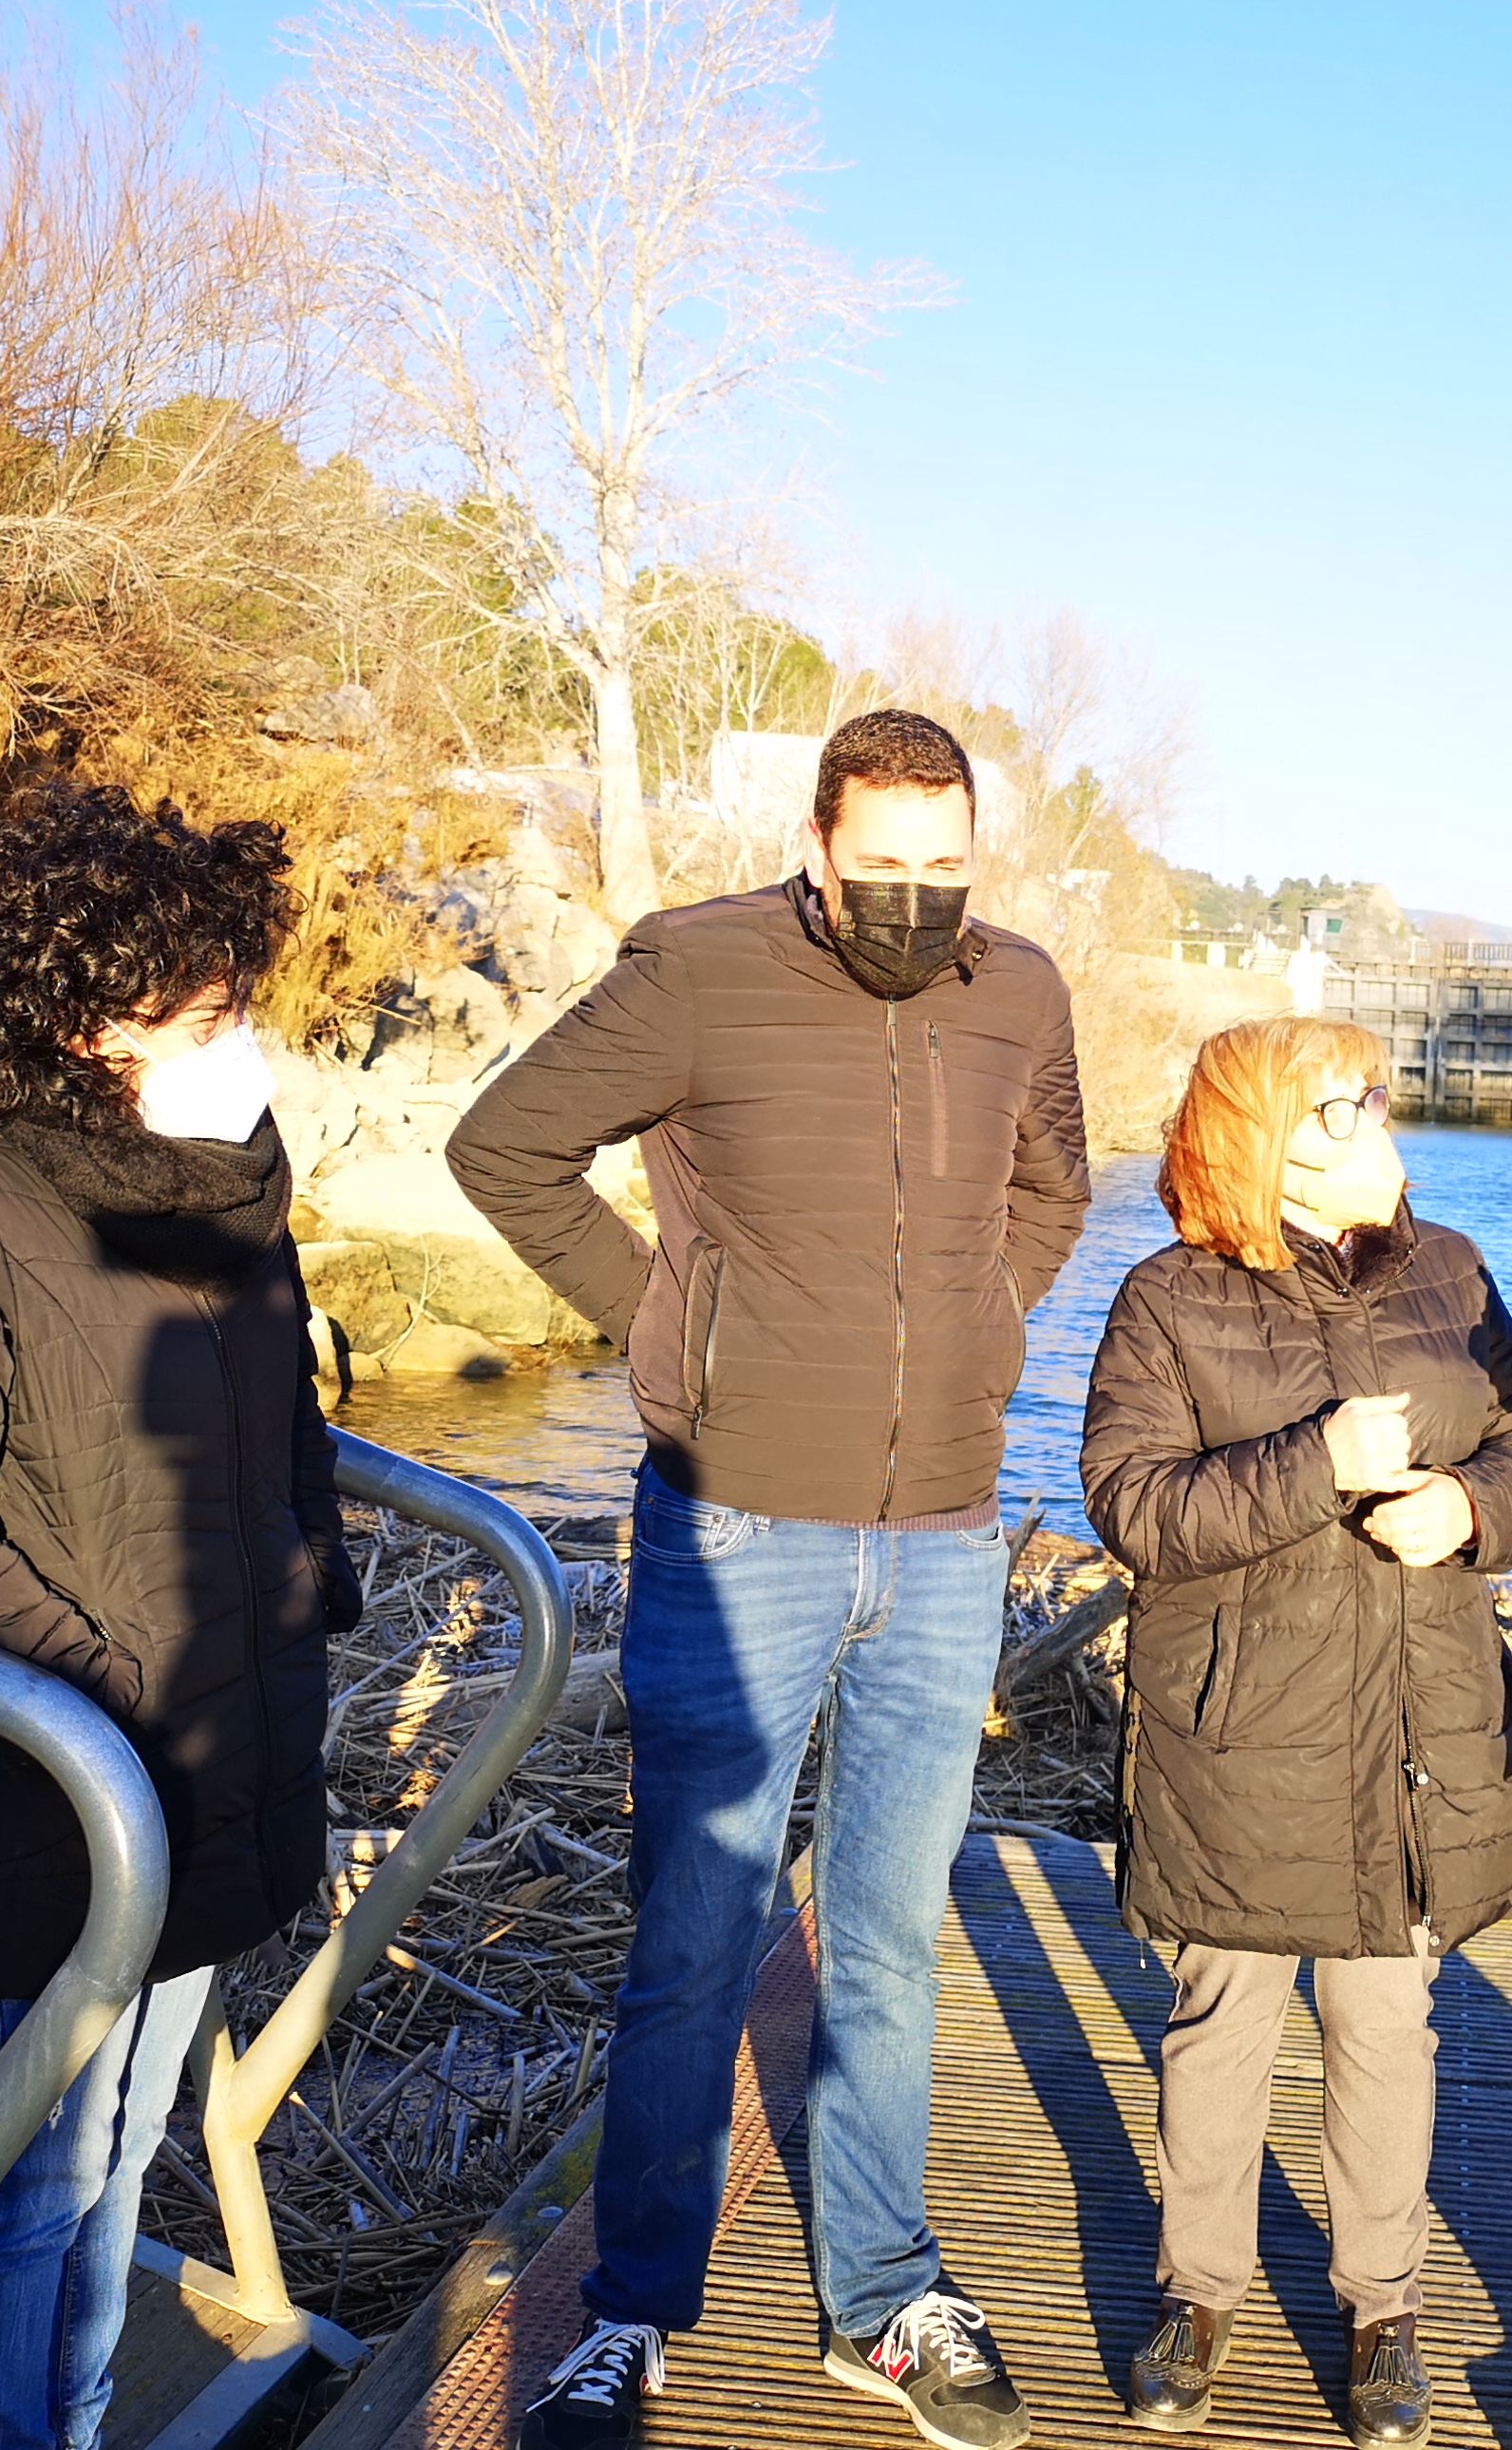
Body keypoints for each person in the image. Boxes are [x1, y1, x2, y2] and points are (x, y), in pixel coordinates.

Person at [448, 709, 1090, 2450]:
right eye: (879, 869)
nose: (912, 899)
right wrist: (670, 1335)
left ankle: (879, 2299)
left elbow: (1055, 1181)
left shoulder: (1019, 990)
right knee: (698, 1940)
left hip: (950, 1531)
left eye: (942, 871)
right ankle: (636, 2308)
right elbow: (502, 1149)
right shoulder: (696, 973)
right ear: (817, 849)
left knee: (886, 1941)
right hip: (740, 1530)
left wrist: (985, 1322)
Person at [0, 785, 355, 2450]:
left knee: (118, 2154)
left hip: (209, 1772)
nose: (236, 1042)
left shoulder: (209, 1191)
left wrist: (310, 1589)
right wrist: (110, 1705)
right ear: (78, 1014)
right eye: (199, 1013)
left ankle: (78, 2418)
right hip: (53, 1796)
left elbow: (290, 1438)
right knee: (28, 2176)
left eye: (235, 1004)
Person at [1080, 1016, 1512, 2448]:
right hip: (1240, 1733)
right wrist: (1317, 1466)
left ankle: (1384, 2311)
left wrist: (1474, 1510)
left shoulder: (1456, 1271)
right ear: (1262, 1148)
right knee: (1220, 2021)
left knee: (1387, 2026)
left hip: (1420, 1721)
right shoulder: (1168, 1299)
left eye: (1370, 1097)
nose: (1378, 1122)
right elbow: (1133, 1508)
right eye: (1338, 1108)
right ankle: (1201, 2292)